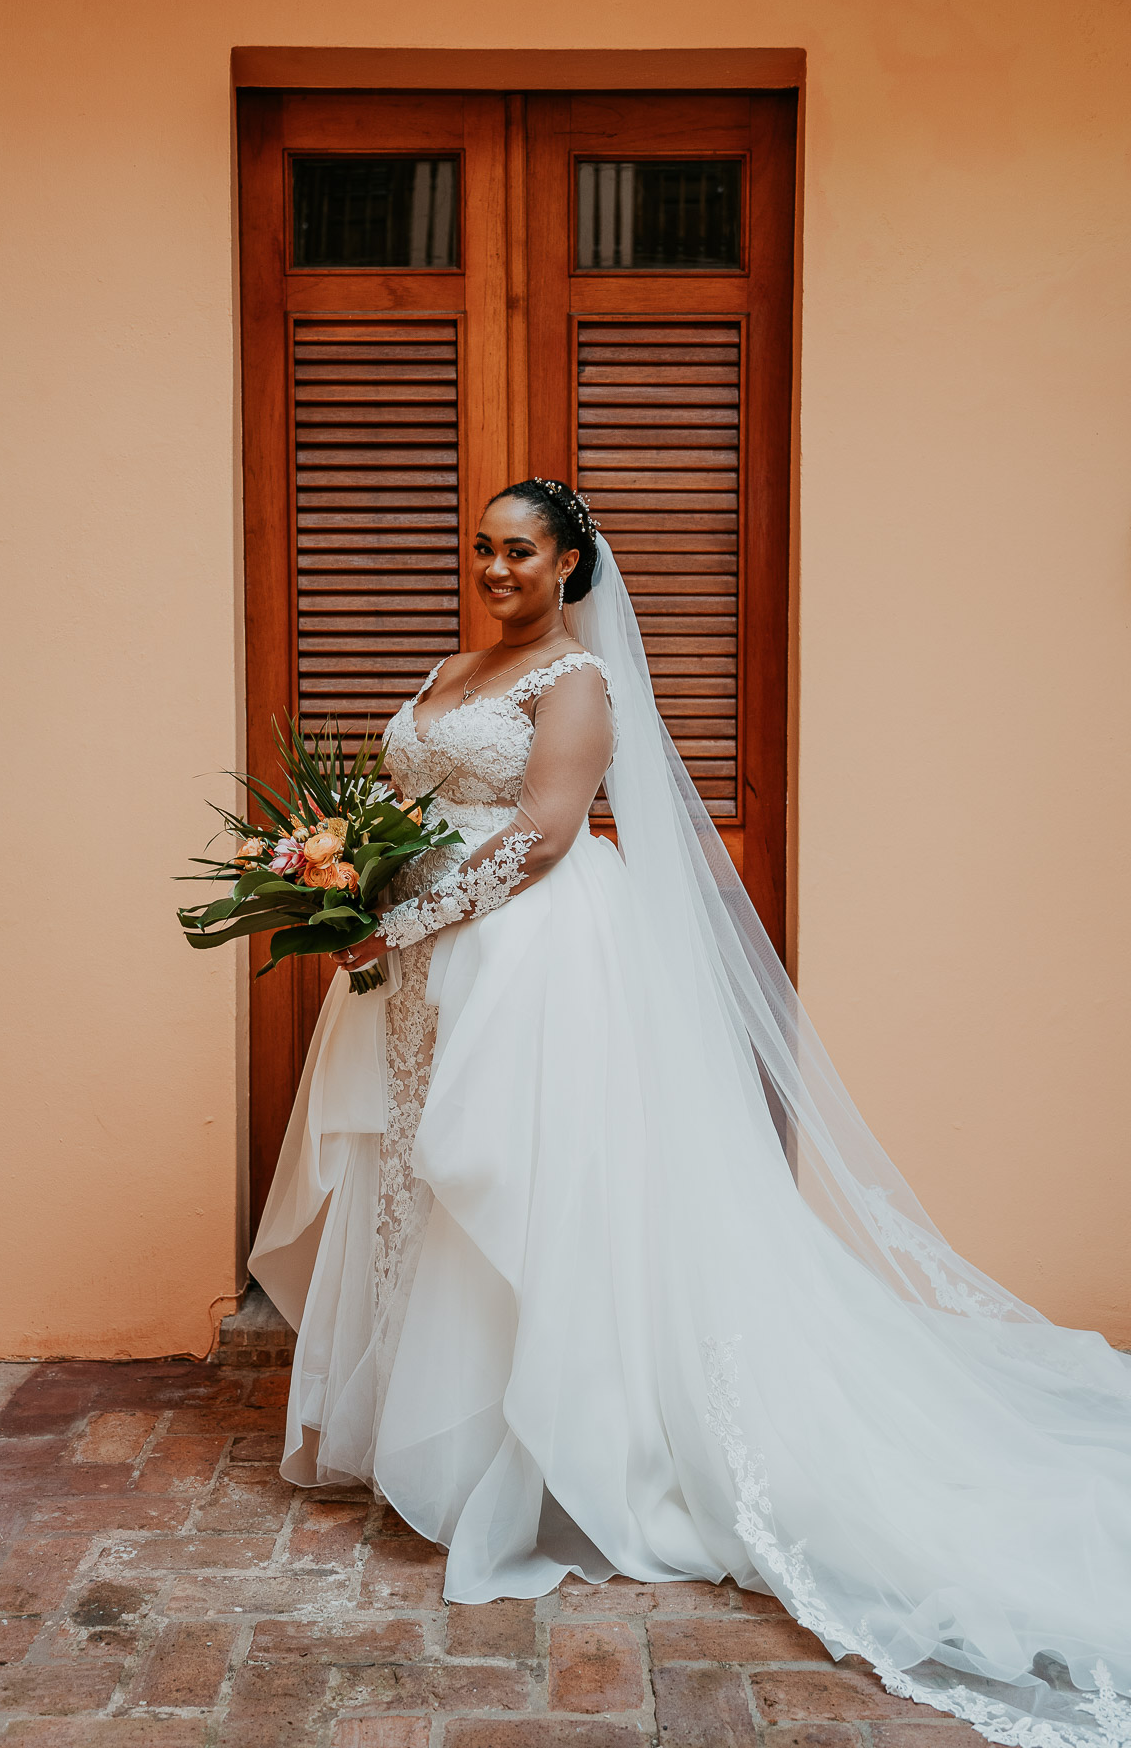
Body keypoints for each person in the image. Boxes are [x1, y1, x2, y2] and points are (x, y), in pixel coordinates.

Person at [250, 478, 1131, 1748]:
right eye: (483, 548)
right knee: (416, 1185)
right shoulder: (453, 664)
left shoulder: (577, 688)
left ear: (568, 567)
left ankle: (541, 1456)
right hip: (424, 969)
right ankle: (429, 1435)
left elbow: (545, 835)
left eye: (521, 552)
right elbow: (415, 809)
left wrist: (401, 916)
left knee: (513, 1178)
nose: (495, 569)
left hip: (528, 960)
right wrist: (347, 874)